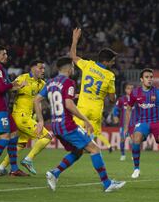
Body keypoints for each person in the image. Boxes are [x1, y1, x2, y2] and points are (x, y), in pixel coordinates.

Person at [34, 56, 125, 192]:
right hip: (67, 125)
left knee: (77, 152)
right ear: (70, 67)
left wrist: (41, 120)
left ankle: (54, 173)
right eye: (73, 66)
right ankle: (107, 184)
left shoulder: (50, 82)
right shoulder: (69, 82)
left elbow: (36, 99)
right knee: (94, 149)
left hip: (55, 126)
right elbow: (69, 105)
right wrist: (86, 120)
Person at [0, 60, 52, 175]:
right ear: (32, 68)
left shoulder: (41, 83)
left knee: (20, 144)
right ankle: (28, 159)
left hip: (26, 117)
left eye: (43, 68)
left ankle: (1, 167)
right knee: (46, 136)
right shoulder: (23, 78)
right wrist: (16, 88)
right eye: (40, 68)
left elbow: (44, 97)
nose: (43, 70)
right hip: (20, 116)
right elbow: (8, 88)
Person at [0, 45, 28, 177]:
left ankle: (14, 169)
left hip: (3, 107)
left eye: (6, 54)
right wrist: (14, 84)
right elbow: (3, 88)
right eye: (3, 54)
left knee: (14, 135)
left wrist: (16, 85)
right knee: (4, 138)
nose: (6, 56)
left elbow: (7, 86)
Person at [70, 27, 117, 152]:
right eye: (112, 61)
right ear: (106, 62)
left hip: (82, 107)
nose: (113, 63)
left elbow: (73, 56)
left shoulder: (88, 65)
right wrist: (110, 97)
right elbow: (112, 99)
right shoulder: (110, 76)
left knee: (74, 131)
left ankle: (77, 146)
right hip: (96, 110)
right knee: (92, 136)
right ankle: (87, 147)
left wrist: (75, 39)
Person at [112, 83, 138, 161]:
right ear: (125, 90)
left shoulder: (136, 99)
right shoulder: (121, 99)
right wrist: (115, 116)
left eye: (132, 88)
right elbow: (116, 108)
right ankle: (123, 154)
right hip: (123, 124)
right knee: (123, 139)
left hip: (134, 124)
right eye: (128, 88)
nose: (130, 90)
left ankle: (134, 155)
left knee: (134, 140)